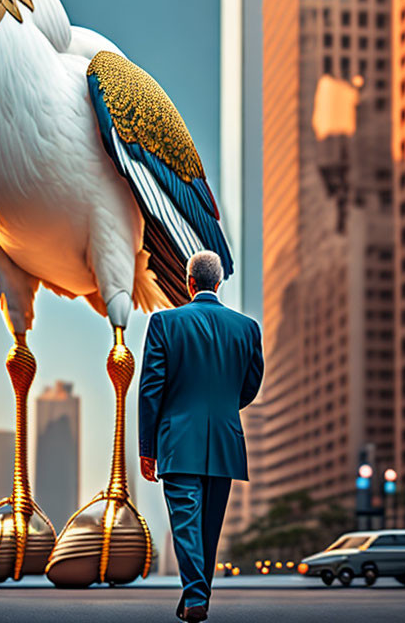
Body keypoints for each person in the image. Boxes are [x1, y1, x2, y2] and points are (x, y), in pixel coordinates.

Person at [138, 250, 264, 622]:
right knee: (209, 526)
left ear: (189, 282)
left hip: (177, 442)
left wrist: (148, 448)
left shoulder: (164, 323)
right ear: (218, 282)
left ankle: (195, 596)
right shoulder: (246, 328)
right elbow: (251, 385)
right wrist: (224, 408)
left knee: (186, 523)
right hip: (225, 440)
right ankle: (197, 597)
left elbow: (150, 391)